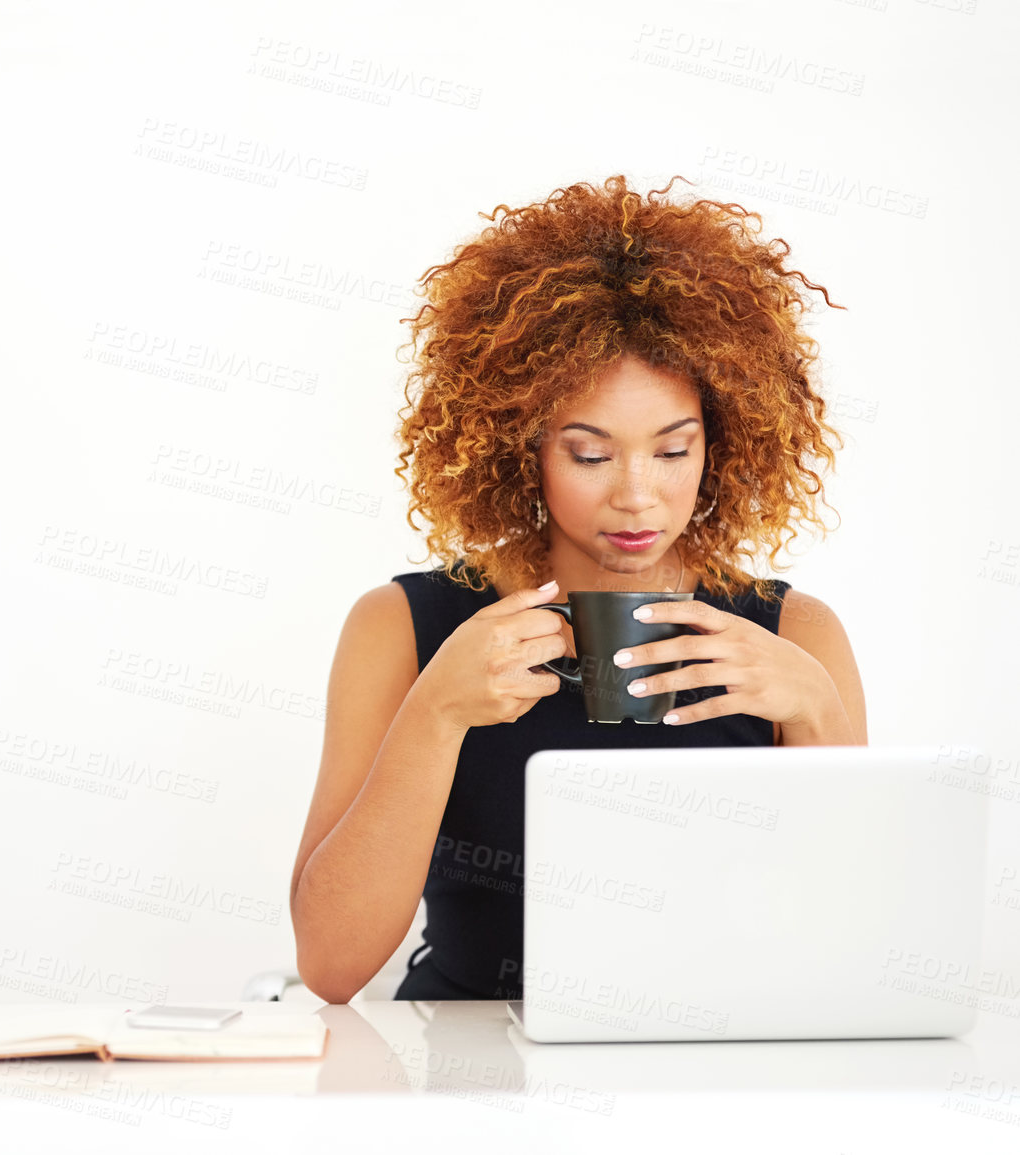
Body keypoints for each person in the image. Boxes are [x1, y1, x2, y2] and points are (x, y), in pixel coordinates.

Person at [288, 175, 869, 1006]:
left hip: (712, 1059)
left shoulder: (794, 635)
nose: (636, 494)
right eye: (590, 454)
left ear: (722, 441)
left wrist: (815, 711)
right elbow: (331, 965)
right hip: (466, 1062)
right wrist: (437, 711)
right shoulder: (403, 626)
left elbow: (851, 950)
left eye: (672, 450)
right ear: (518, 445)